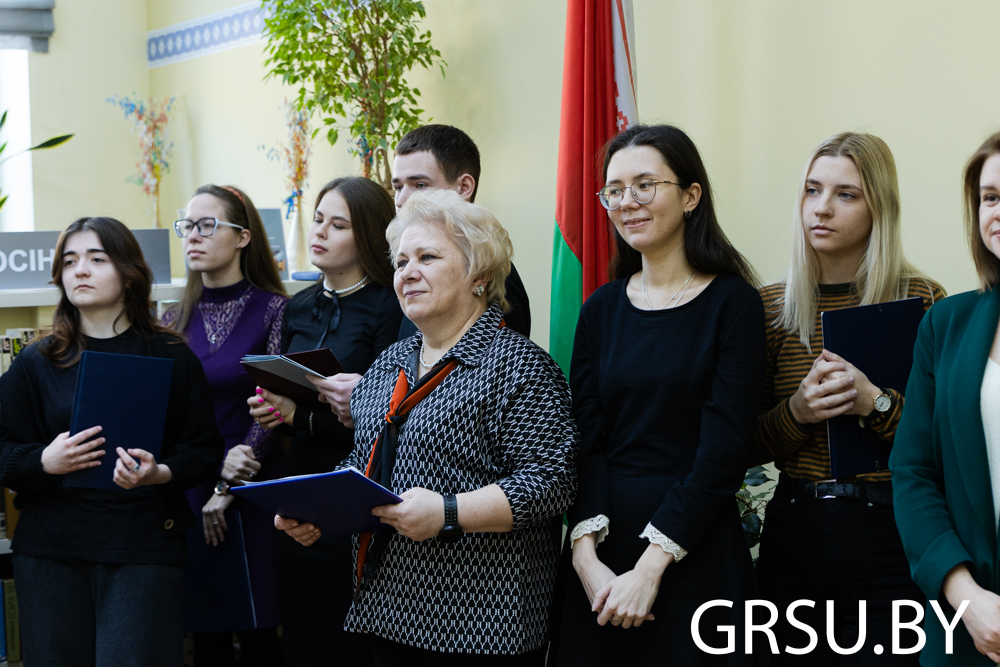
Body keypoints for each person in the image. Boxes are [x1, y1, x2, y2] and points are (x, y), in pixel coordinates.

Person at [276, 189, 577, 666]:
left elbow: (552, 484)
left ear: (479, 274)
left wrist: (449, 512)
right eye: (400, 262)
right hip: (388, 609)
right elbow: (364, 462)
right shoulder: (389, 363)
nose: (407, 272)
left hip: (482, 623)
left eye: (427, 257)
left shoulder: (519, 365)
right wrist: (317, 509)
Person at [550, 124, 766, 664]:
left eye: (645, 185)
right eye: (615, 191)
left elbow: (724, 451)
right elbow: (582, 439)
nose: (628, 203)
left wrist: (651, 567)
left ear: (691, 196)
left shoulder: (733, 303)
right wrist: (584, 557)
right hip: (600, 551)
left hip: (693, 549)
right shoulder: (600, 308)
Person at [751, 132, 945, 664]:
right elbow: (740, 444)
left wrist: (875, 404)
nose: (822, 209)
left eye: (845, 195)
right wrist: (798, 411)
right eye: (812, 191)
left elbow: (943, 445)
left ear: (878, 206)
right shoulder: (768, 308)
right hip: (795, 525)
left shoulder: (922, 300)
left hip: (889, 529)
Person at [0, 217, 224, 667]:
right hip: (50, 555)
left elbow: (203, 452)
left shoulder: (170, 355)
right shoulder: (35, 362)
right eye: (69, 261)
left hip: (142, 551)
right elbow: (4, 454)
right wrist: (45, 460)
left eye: (96, 259)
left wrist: (159, 472)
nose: (79, 270)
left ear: (128, 273)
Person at [247, 176, 402, 666]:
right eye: (318, 220)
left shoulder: (389, 304)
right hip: (301, 476)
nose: (321, 232)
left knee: (350, 638)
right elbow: (290, 396)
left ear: (369, 235)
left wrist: (300, 416)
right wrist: (274, 412)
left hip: (360, 481)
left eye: (338, 225)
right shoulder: (299, 304)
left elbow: (391, 413)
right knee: (305, 629)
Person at [320, 124, 533, 429]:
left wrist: (373, 399)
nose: (402, 198)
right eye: (397, 186)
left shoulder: (500, 280)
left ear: (463, 187)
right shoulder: (407, 281)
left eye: (419, 185)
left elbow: (485, 398)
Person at [162, 185, 288, 666]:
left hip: (256, 487)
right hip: (194, 486)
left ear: (242, 237)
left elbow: (274, 407)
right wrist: (211, 480)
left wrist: (231, 483)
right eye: (187, 226)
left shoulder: (276, 308)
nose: (193, 235)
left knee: (259, 635)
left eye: (207, 224)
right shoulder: (173, 318)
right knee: (207, 635)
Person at [891, 132, 1000, 665]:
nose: (998, 211)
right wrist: (967, 598)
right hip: (967, 624)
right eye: (991, 197)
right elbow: (913, 471)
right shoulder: (945, 323)